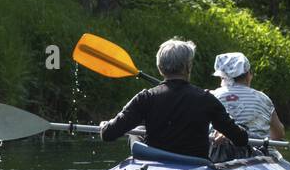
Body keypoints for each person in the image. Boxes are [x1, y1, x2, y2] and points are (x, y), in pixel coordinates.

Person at [99, 38, 249, 160]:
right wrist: (231, 131)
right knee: (138, 130)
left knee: (136, 132)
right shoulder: (206, 99)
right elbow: (241, 139)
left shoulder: (145, 98)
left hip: (155, 167)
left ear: (160, 67)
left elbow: (108, 134)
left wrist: (105, 125)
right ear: (188, 67)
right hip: (195, 168)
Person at [207, 51, 285, 162]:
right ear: (248, 76)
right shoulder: (263, 98)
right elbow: (278, 133)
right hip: (257, 156)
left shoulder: (212, 96)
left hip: (220, 155)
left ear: (223, 78)